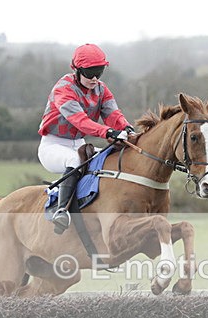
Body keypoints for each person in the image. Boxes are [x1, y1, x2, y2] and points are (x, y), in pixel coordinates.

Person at [37, 43, 135, 233]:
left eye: (99, 72)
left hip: (79, 144)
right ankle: (61, 210)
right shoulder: (63, 89)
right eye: (90, 73)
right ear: (77, 70)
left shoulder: (101, 89)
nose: (95, 78)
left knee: (110, 159)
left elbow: (112, 113)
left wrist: (126, 127)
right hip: (53, 145)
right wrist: (108, 132)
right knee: (74, 160)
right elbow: (80, 121)